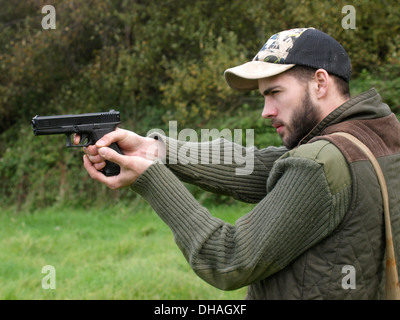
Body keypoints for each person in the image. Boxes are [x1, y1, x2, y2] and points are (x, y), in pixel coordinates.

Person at [78, 28, 400, 299]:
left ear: (319, 82)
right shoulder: (377, 135)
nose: (266, 110)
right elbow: (262, 167)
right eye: (263, 97)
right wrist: (157, 150)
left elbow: (227, 259)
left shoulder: (321, 164)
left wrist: (150, 179)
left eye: (275, 92)